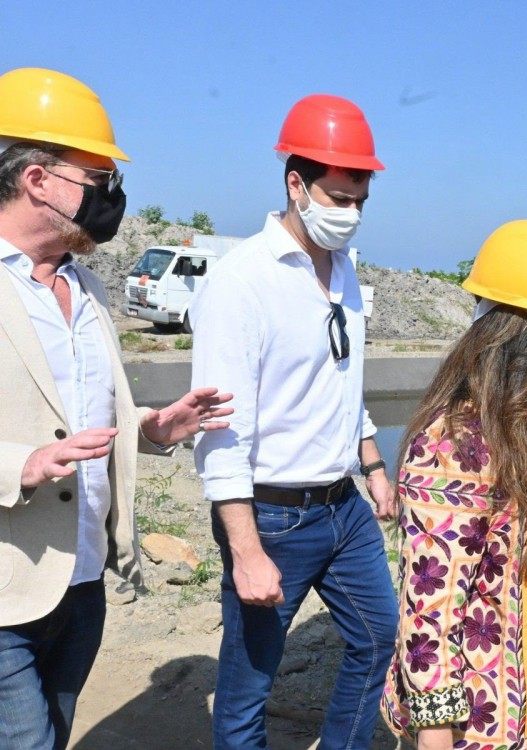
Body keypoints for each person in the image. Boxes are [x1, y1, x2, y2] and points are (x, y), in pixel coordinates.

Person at [0, 67, 233, 749]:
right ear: (38, 178)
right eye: (98, 179)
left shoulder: (90, 288)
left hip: (79, 581)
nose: (112, 196)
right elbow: (41, 445)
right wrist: (26, 463)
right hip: (6, 583)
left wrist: (154, 428)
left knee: (56, 732)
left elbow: (85, 416)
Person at [190, 94, 399, 749]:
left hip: (344, 507)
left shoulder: (345, 272)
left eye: (361, 199)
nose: (352, 213)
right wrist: (247, 551)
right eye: (339, 198)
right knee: (251, 682)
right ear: (296, 184)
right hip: (273, 515)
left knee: (378, 635)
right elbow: (221, 433)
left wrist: (372, 464)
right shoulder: (241, 283)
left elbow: (342, 383)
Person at [380, 220, 527, 750]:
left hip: (520, 700)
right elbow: (429, 618)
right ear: (526, 335)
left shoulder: (526, 423)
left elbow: (504, 530)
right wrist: (435, 740)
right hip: (474, 727)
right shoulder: (453, 445)